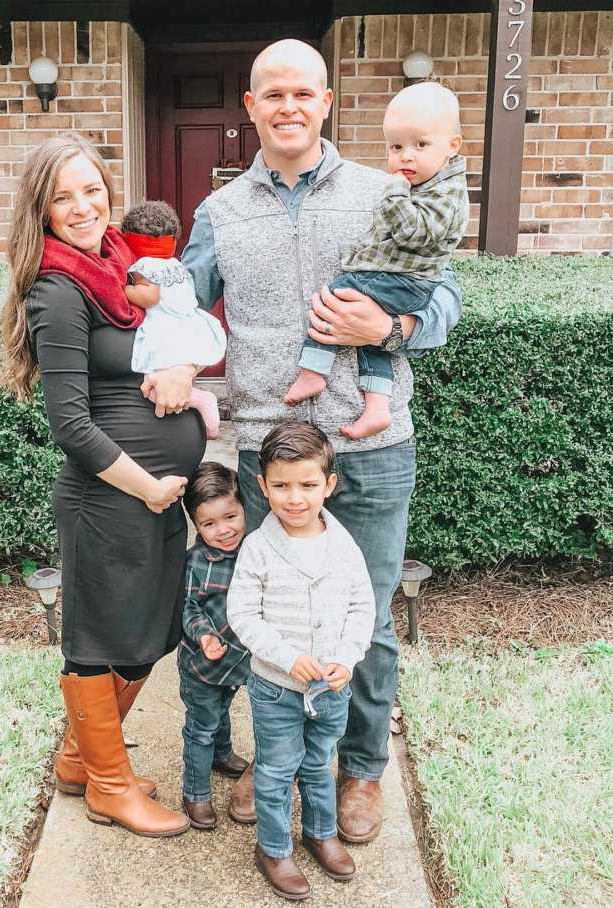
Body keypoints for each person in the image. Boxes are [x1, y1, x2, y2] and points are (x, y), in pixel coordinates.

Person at [180, 38, 462, 846]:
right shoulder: (221, 211)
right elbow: (186, 311)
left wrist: (395, 324)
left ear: (328, 101)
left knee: (362, 620)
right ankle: (275, 766)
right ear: (251, 106)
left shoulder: (387, 189)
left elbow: (445, 301)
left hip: (367, 447)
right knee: (264, 616)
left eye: (304, 92)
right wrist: (172, 366)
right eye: (273, 94)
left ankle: (359, 771)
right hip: (265, 452)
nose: (289, 107)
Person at [0, 132, 206, 838]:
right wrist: (148, 487)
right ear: (42, 211)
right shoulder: (58, 290)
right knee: (99, 641)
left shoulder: (118, 268)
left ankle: (79, 759)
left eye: (92, 189)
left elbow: (167, 342)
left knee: (148, 632)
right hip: (109, 497)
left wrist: (186, 377)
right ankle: (109, 786)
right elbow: (70, 426)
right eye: (63, 196)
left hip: (148, 495)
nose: (84, 206)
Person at [228, 421, 375, 897]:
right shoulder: (257, 548)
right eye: (282, 485)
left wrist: (348, 657)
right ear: (262, 485)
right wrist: (288, 657)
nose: (295, 498)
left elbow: (362, 607)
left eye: (308, 485)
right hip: (277, 687)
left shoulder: (343, 544)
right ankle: (273, 847)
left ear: (328, 486)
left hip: (331, 685)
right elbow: (243, 616)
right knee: (275, 768)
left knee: (319, 762)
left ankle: (320, 833)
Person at [284, 81, 469, 440]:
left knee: (339, 293)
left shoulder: (409, 190)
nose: (406, 156)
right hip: (272, 438)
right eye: (396, 146)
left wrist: (395, 329)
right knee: (370, 341)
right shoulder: (416, 187)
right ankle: (377, 406)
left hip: (409, 284)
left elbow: (441, 285)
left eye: (420, 145)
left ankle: (313, 370)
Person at [178, 462, 251, 830]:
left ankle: (222, 755)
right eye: (209, 524)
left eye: (231, 516)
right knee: (201, 726)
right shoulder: (196, 563)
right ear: (196, 525)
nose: (223, 530)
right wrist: (204, 635)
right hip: (202, 665)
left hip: (237, 663)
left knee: (223, 709)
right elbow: (188, 606)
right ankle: (196, 793)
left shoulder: (252, 554)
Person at [121, 200, 227, 439]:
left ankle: (200, 400)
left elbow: (149, 296)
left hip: (164, 331)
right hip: (188, 325)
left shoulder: (143, 265)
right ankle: (203, 411)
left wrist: (120, 291)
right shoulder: (174, 265)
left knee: (153, 385)